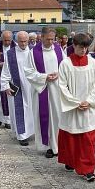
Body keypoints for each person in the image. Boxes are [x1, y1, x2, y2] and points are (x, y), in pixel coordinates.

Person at [57, 33, 95, 181]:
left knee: (88, 140)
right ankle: (71, 161)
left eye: (86, 48)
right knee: (71, 137)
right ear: (74, 46)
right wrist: (75, 102)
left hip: (88, 107)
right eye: (80, 48)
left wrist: (89, 101)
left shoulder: (93, 63)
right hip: (73, 107)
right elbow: (62, 86)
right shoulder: (65, 64)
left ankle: (88, 169)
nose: (84, 51)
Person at [24, 26, 64, 158]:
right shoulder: (33, 52)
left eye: (53, 39)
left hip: (57, 89)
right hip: (42, 89)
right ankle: (48, 146)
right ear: (41, 37)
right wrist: (44, 77)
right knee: (45, 117)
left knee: (58, 117)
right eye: (48, 39)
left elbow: (65, 66)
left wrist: (59, 74)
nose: (51, 42)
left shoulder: (58, 50)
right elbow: (29, 72)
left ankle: (59, 145)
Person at [0, 31, 34, 146]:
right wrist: (5, 86)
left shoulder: (33, 51)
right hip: (18, 88)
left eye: (25, 41)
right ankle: (22, 135)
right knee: (20, 110)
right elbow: (5, 71)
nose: (23, 44)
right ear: (17, 41)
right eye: (21, 41)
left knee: (32, 110)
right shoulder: (10, 53)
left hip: (32, 87)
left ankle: (32, 132)